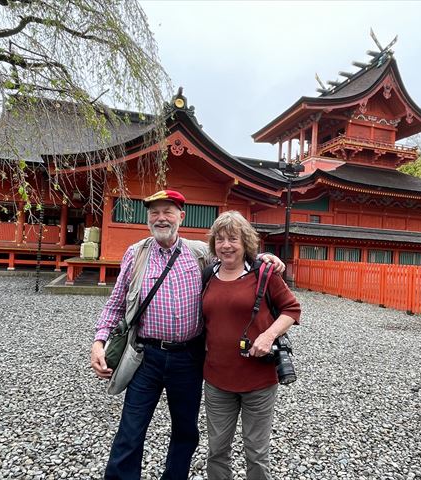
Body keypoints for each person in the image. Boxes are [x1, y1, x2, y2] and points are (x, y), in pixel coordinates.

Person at [90, 190, 283, 480]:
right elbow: (116, 303)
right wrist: (99, 342)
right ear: (148, 218)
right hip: (146, 357)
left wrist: (267, 258)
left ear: (181, 216)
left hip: (188, 357)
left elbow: (236, 256)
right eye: (154, 213)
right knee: (131, 428)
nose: (161, 218)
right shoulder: (136, 254)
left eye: (167, 212)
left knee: (185, 430)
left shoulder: (200, 254)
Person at [202, 211, 301, 480]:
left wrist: (268, 335)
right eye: (220, 239)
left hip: (258, 379)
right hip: (217, 379)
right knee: (216, 450)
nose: (226, 245)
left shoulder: (264, 274)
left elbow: (292, 309)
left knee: (256, 452)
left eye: (233, 239)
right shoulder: (208, 275)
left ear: (245, 242)